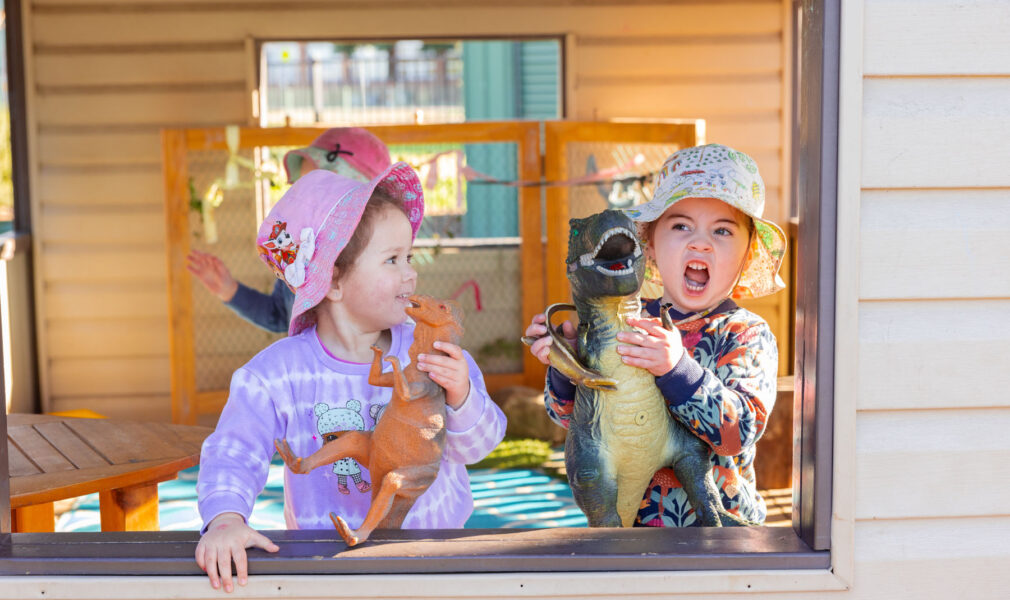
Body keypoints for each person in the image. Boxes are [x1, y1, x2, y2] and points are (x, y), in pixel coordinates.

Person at [195, 164, 507, 591]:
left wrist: (462, 394)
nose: (411, 273)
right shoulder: (277, 375)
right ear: (334, 282)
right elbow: (234, 448)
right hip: (324, 563)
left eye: (410, 256)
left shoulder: (433, 353)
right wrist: (226, 519)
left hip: (438, 556)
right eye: (393, 259)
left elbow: (480, 448)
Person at [524, 143, 786, 527]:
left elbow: (739, 432)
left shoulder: (745, 335)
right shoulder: (627, 321)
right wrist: (566, 367)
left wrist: (677, 369)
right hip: (635, 530)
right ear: (649, 244)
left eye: (723, 231)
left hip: (721, 538)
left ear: (747, 255)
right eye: (681, 226)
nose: (701, 243)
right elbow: (571, 419)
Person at [186, 127, 393, 333]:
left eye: (317, 188)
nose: (305, 199)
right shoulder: (297, 250)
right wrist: (229, 290)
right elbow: (280, 315)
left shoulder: (383, 256)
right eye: (302, 188)